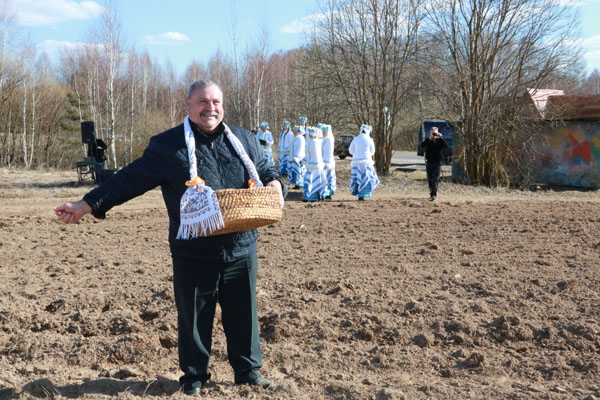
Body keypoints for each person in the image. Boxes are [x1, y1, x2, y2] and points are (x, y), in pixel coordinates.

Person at [54, 79, 286, 396]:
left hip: (241, 246)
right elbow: (129, 180)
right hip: (193, 251)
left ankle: (248, 372)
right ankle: (194, 377)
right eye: (203, 102)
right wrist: (87, 204)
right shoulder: (168, 146)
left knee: (243, 313)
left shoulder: (245, 139)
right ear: (188, 105)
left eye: (216, 102)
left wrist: (276, 185)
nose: (210, 107)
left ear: (223, 105)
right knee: (193, 317)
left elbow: (266, 170)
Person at [349, 124, 380, 201]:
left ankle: (357, 192)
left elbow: (351, 150)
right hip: (367, 162)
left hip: (356, 162)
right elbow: (372, 152)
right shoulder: (370, 140)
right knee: (366, 177)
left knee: (357, 177)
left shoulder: (355, 139)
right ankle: (363, 194)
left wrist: (356, 154)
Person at [420, 126, 448, 201]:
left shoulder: (440, 141)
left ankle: (433, 194)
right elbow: (422, 146)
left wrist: (441, 137)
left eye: (435, 133)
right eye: (432, 133)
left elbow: (446, 146)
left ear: (437, 132)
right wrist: (430, 138)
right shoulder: (428, 141)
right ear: (430, 133)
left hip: (438, 162)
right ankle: (431, 192)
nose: (434, 135)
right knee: (430, 178)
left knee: (436, 178)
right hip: (429, 162)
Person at [302, 126, 327, 202]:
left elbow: (316, 154)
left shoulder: (314, 142)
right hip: (314, 164)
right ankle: (315, 196)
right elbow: (310, 154)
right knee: (316, 181)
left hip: (314, 166)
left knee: (311, 181)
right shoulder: (317, 141)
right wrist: (303, 159)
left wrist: (315, 164)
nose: (308, 135)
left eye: (310, 133)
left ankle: (311, 196)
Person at [321, 124, 336, 200]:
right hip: (323, 161)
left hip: (328, 162)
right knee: (324, 178)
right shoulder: (323, 139)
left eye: (325, 131)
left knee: (329, 178)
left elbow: (328, 152)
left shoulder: (329, 139)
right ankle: (324, 192)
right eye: (323, 131)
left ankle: (329, 194)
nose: (324, 133)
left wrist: (326, 162)